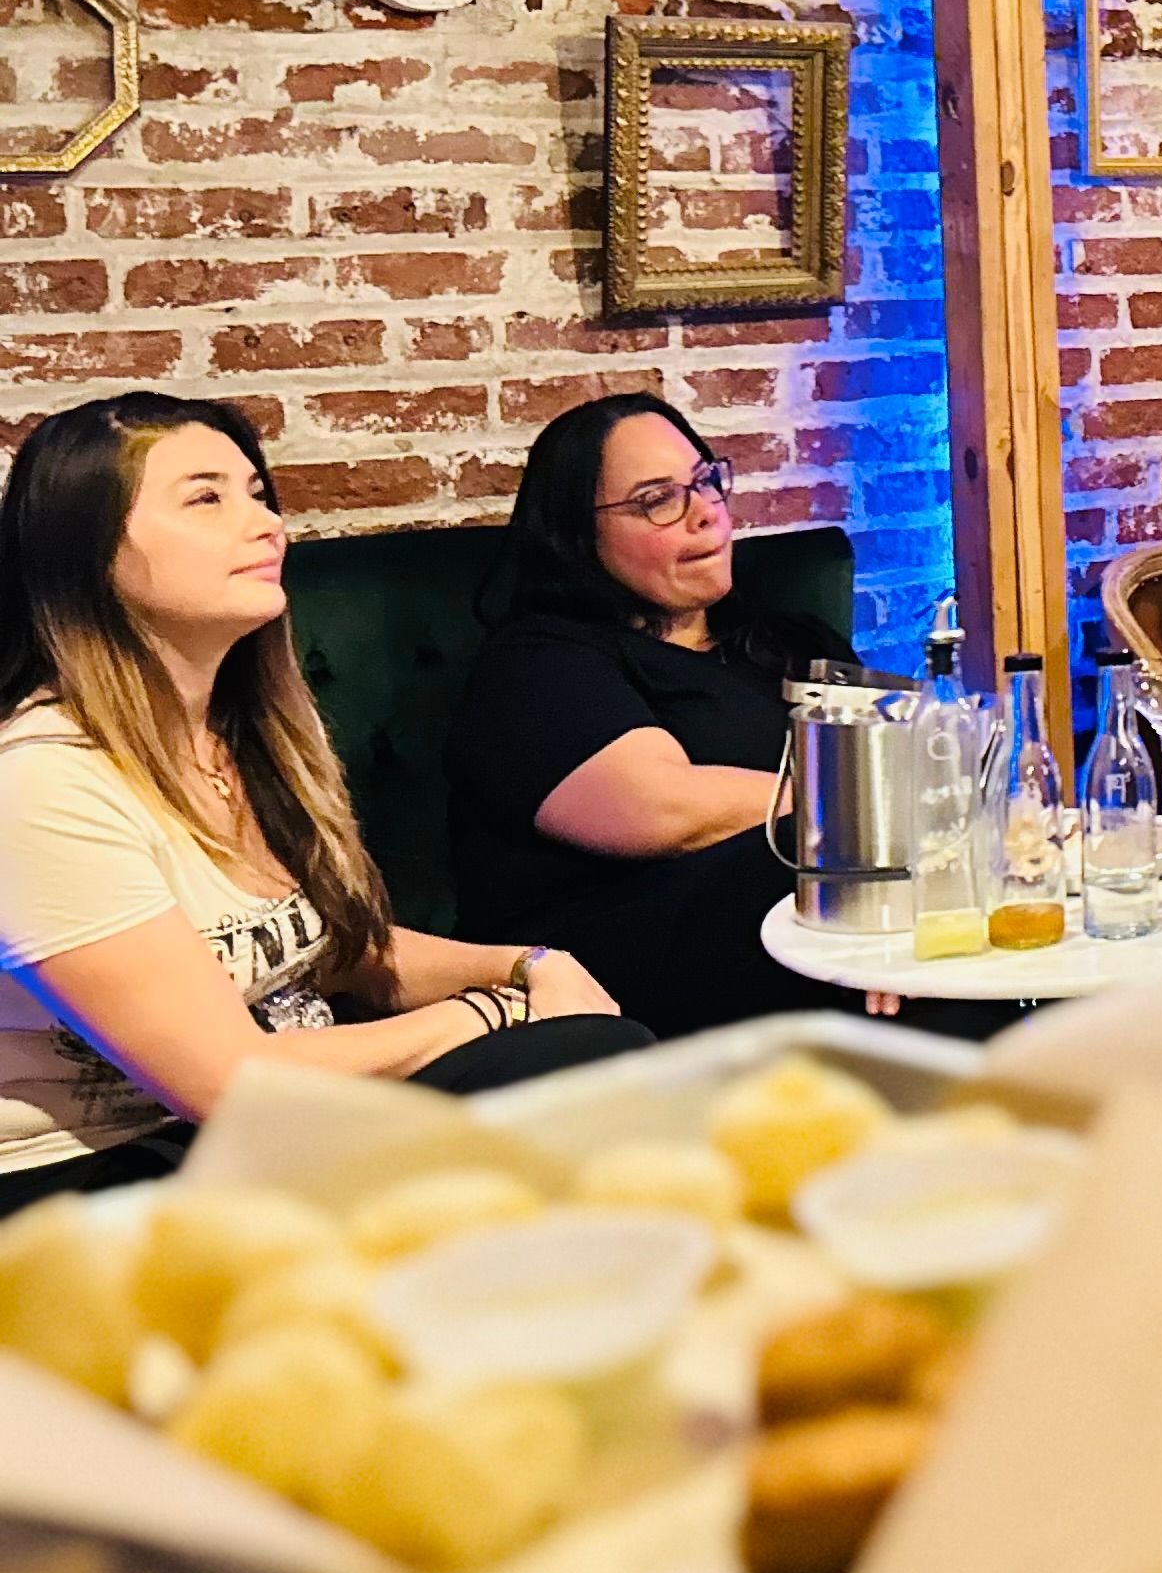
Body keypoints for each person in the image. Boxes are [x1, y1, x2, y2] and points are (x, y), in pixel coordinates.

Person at [0, 395, 650, 1213]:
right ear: (85, 553)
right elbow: (230, 1085)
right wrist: (491, 1014)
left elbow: (337, 952)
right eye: (207, 498)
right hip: (85, 1185)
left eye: (257, 493)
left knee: (595, 1054)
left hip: (254, 1132)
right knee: (578, 1060)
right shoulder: (42, 785)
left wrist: (528, 966)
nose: (266, 523)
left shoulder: (246, 739)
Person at [447, 394, 877, 1037]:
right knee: (807, 853)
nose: (705, 512)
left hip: (810, 962)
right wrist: (860, 809)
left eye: (705, 480)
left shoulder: (790, 641)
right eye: (657, 500)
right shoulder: (537, 662)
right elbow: (660, 809)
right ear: (577, 534)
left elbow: (916, 757)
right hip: (598, 983)